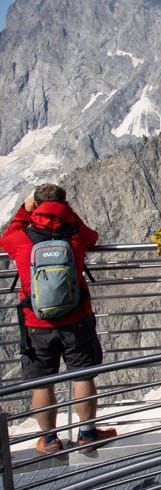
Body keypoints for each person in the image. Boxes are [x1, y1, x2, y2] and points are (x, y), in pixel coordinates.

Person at [0, 184, 115, 453]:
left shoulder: (22, 238)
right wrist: (67, 213)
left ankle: (49, 440)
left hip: (36, 322)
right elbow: (93, 236)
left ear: (35, 205)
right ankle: (87, 434)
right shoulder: (75, 236)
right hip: (76, 319)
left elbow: (4, 239)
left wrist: (23, 212)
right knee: (82, 376)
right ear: (65, 204)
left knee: (42, 381)